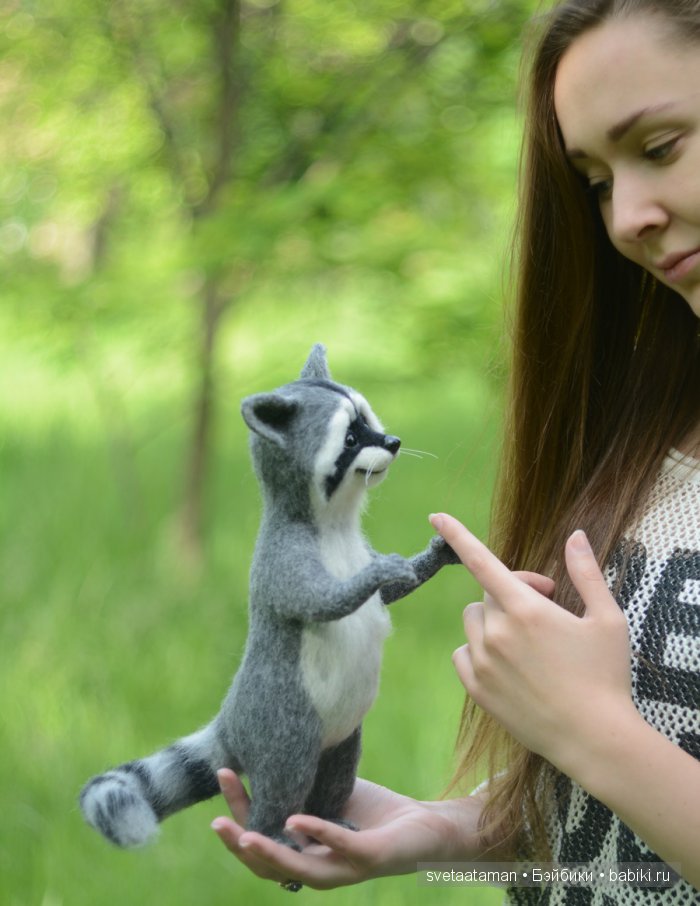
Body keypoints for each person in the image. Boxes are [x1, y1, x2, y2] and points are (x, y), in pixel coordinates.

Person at [210, 0, 700, 899]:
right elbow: (633, 830)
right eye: (594, 181)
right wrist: (449, 831)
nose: (626, 216)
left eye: (661, 147)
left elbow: (613, 747)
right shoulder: (651, 451)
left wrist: (591, 729)